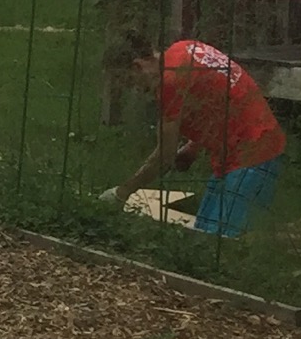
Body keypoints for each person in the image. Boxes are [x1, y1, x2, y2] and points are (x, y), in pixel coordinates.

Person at [107, 33, 287, 238]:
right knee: (203, 233)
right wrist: (193, 146)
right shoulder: (183, 48)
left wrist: (123, 193)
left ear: (137, 66)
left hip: (253, 153)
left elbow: (164, 157)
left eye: (130, 81)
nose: (136, 89)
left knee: (223, 244)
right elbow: (217, 98)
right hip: (241, 147)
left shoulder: (170, 83)